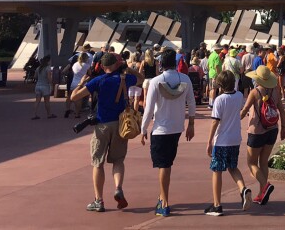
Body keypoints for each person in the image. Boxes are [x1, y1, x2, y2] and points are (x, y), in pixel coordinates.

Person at [71, 52, 145, 213]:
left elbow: (74, 97)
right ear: (118, 65)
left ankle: (99, 200)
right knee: (118, 160)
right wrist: (128, 69)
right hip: (120, 125)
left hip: (102, 125)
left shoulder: (99, 81)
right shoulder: (125, 79)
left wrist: (81, 83)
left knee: (98, 162)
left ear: (103, 66)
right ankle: (118, 187)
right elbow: (141, 79)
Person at [140, 49, 196, 217]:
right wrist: (191, 124)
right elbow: (191, 102)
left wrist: (143, 129)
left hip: (160, 129)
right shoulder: (184, 79)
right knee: (167, 164)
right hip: (177, 128)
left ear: (161, 63)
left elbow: (149, 109)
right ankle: (162, 195)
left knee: (163, 165)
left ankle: (164, 201)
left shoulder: (156, 82)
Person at [205, 70, 251, 216]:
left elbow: (215, 122)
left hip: (222, 140)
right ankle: (243, 189)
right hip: (235, 138)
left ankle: (217, 204)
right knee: (233, 167)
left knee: (217, 170)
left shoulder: (220, 100)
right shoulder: (238, 96)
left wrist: (209, 140)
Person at [241, 65, 285, 205]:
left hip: (257, 131)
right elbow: (282, 110)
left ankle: (265, 186)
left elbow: (244, 111)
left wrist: (233, 118)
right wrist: (284, 127)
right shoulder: (275, 90)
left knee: (251, 163)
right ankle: (261, 194)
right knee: (263, 162)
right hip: (272, 129)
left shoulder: (254, 92)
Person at [32, 55, 57, 120]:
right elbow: (49, 78)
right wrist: (51, 84)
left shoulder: (38, 68)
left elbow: (35, 77)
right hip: (45, 86)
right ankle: (49, 114)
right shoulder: (48, 68)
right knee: (47, 101)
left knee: (37, 101)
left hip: (38, 85)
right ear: (48, 61)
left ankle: (34, 114)